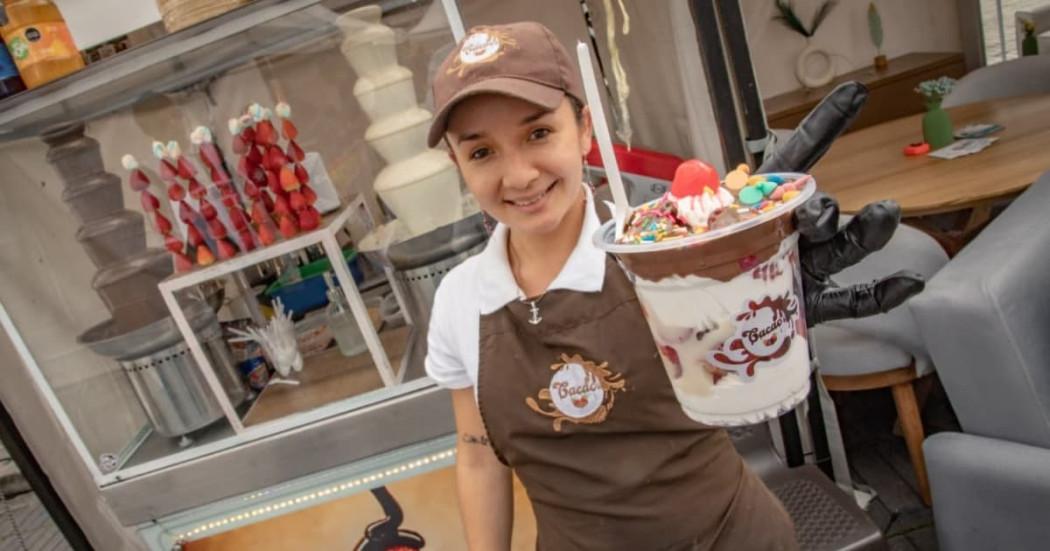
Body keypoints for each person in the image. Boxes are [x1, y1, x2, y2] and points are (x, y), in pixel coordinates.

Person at [423, 22, 923, 550]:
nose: (519, 174)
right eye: (481, 152)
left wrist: (761, 295)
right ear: (457, 164)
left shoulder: (668, 249)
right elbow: (479, 455)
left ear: (585, 128)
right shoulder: (460, 300)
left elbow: (746, 389)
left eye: (539, 133)